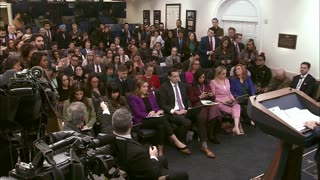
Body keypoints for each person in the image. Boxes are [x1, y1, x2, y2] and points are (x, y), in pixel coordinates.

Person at [111, 108, 189, 180]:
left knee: (163, 158)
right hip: (145, 174)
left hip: (129, 167)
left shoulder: (108, 140)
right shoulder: (137, 151)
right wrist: (153, 156)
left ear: (113, 124)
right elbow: (152, 174)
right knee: (183, 174)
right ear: (131, 124)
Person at [159, 68, 216, 158]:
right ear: (169, 77)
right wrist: (176, 111)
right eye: (174, 77)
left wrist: (189, 108)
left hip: (185, 110)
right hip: (173, 113)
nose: (177, 78)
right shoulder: (164, 87)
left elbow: (187, 99)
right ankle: (181, 143)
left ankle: (204, 146)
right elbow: (163, 104)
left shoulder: (183, 85)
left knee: (200, 117)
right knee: (187, 122)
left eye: (178, 76)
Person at [129, 79, 190, 156]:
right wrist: (149, 114)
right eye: (143, 87)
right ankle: (176, 141)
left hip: (154, 118)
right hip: (142, 121)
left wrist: (155, 112)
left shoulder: (150, 94)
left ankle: (160, 151)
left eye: (147, 86)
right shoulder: (133, 97)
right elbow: (137, 113)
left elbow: (156, 107)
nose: (146, 88)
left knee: (161, 126)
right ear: (138, 87)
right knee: (162, 119)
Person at [189, 69, 222, 144]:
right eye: (200, 78)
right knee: (202, 111)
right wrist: (200, 96)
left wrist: (211, 95)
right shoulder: (192, 86)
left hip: (207, 103)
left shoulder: (207, 84)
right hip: (198, 104)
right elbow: (191, 99)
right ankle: (203, 134)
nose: (202, 79)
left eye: (203, 77)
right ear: (196, 77)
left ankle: (211, 135)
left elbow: (213, 98)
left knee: (215, 108)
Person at [210, 66, 243, 135]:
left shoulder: (227, 80)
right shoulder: (213, 82)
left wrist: (234, 100)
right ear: (218, 74)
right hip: (219, 102)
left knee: (237, 105)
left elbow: (229, 93)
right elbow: (213, 97)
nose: (225, 75)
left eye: (225, 73)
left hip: (228, 100)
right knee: (235, 110)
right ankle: (236, 127)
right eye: (223, 74)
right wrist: (222, 101)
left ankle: (236, 127)